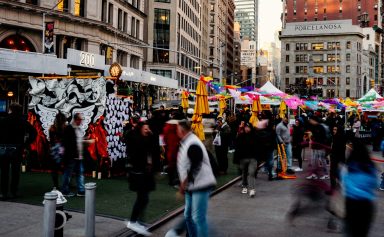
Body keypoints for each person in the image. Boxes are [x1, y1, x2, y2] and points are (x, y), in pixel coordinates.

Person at [176, 120, 216, 237]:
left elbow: (196, 162)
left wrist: (185, 181)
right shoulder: (187, 141)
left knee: (198, 217)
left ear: (182, 130)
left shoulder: (192, 142)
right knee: (188, 216)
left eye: (177, 129)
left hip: (201, 184)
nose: (176, 131)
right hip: (192, 186)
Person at [126, 122, 158, 236]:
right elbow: (138, 152)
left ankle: (139, 221)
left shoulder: (147, 138)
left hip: (145, 173)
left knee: (144, 198)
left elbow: (154, 147)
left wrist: (151, 134)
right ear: (140, 129)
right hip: (138, 173)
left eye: (148, 128)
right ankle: (133, 221)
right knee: (142, 198)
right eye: (145, 128)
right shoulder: (136, 140)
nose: (147, 130)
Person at [0, 103, 36, 199]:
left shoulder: (3, 120)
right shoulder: (23, 121)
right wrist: (25, 144)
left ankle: (3, 192)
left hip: (4, 147)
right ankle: (14, 191)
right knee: (15, 171)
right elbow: (33, 133)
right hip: (17, 148)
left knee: (4, 171)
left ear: (10, 110)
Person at [342, 139, 378, 237]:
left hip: (351, 202)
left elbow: (343, 181)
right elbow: (375, 184)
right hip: (366, 204)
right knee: (362, 232)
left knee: (351, 231)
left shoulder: (349, 166)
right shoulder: (370, 167)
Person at [62, 113, 92, 197]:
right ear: (76, 120)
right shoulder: (69, 129)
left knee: (79, 173)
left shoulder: (78, 129)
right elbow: (67, 143)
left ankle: (81, 190)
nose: (81, 121)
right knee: (68, 174)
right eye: (80, 119)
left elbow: (78, 141)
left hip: (78, 156)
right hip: (72, 156)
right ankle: (65, 190)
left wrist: (85, 141)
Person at [234, 123, 257, 197]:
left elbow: (258, 148)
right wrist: (237, 159)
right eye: (246, 127)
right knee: (244, 172)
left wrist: (258, 158)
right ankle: (244, 186)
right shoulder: (240, 136)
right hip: (243, 158)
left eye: (248, 127)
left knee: (251, 172)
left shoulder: (255, 136)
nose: (247, 129)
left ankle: (252, 189)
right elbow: (237, 148)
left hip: (252, 158)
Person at [306, 115, 331, 180]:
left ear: (314, 120)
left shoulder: (321, 127)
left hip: (320, 146)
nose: (310, 121)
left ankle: (326, 174)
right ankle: (314, 174)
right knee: (314, 160)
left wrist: (316, 140)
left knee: (322, 160)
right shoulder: (314, 127)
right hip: (315, 146)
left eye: (311, 120)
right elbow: (314, 136)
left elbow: (323, 137)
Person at [49, 112, 67, 188]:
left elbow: (51, 141)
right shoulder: (65, 128)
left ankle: (55, 185)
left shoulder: (52, 128)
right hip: (61, 149)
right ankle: (65, 185)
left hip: (54, 149)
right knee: (64, 168)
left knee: (55, 169)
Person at [329, 126, 346, 193]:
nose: (334, 131)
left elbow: (340, 149)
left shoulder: (340, 138)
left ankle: (336, 183)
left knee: (336, 171)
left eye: (335, 129)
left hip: (338, 157)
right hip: (335, 156)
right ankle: (333, 184)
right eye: (333, 129)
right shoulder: (334, 137)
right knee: (333, 171)